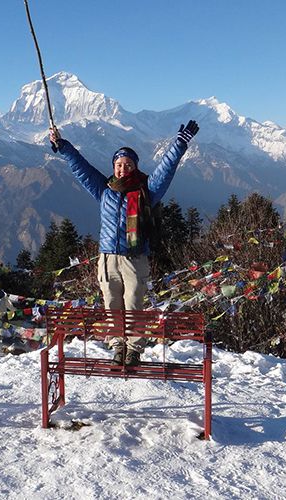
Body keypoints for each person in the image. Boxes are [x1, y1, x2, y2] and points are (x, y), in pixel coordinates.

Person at [49, 120, 199, 365]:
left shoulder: (146, 191)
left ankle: (134, 350)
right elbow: (81, 168)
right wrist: (62, 145)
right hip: (107, 259)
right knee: (112, 306)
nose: (122, 169)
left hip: (134, 258)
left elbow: (166, 169)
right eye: (118, 165)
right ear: (113, 167)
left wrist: (180, 143)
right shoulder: (104, 190)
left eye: (127, 165)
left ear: (135, 167)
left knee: (134, 306)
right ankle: (118, 347)